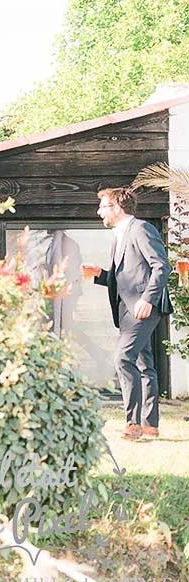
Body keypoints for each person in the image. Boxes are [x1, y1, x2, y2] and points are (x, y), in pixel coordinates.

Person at [84, 188, 173, 440]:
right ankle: (150, 424)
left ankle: (132, 424)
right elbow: (122, 278)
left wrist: (148, 299)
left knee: (123, 359)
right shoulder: (118, 236)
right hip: (126, 312)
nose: (99, 211)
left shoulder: (141, 229)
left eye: (102, 206)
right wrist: (99, 274)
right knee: (144, 365)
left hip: (142, 309)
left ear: (116, 207)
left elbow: (161, 266)